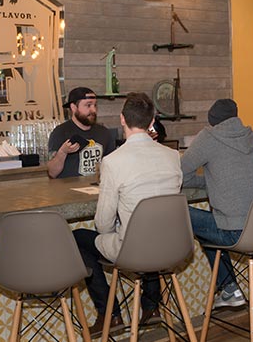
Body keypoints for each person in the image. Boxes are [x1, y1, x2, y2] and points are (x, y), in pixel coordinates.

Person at [72, 92, 182, 337]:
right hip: (173, 246)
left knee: (77, 237)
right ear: (152, 120)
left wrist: (119, 230)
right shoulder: (173, 157)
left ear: (122, 119)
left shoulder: (113, 162)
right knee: (152, 235)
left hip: (133, 251)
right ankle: (151, 307)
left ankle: (109, 314)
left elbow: (102, 224)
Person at [181, 99, 253, 308]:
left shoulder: (208, 137)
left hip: (236, 233)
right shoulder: (252, 136)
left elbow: (180, 174)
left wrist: (207, 182)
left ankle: (229, 286)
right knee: (210, 226)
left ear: (213, 120)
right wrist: (215, 180)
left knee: (180, 212)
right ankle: (229, 288)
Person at [47, 87, 116, 179]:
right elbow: (52, 173)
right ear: (74, 107)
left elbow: (112, 167)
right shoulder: (60, 132)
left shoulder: (104, 132)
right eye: (88, 105)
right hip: (67, 192)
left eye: (95, 105)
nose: (93, 110)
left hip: (97, 189)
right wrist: (62, 152)